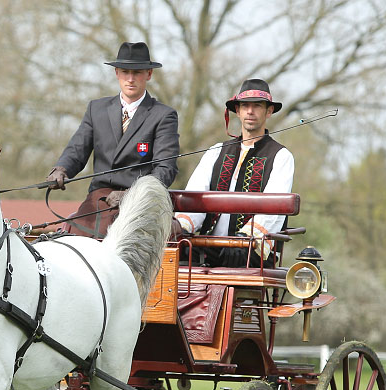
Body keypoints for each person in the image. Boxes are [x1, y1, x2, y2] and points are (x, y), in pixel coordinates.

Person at [47, 42, 179, 238]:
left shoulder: (163, 115)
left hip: (140, 201)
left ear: (149, 74)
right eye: (125, 72)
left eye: (138, 72)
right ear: (117, 72)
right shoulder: (96, 109)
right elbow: (77, 149)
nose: (131, 79)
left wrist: (132, 195)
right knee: (72, 238)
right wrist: (61, 169)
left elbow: (165, 169)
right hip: (99, 198)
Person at [176, 78, 294, 267]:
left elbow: (274, 210)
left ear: (269, 111)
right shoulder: (216, 151)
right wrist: (180, 227)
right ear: (237, 111)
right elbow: (194, 198)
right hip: (208, 246)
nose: (250, 111)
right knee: (178, 254)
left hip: (251, 250)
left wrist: (245, 239)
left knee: (238, 254)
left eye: (257, 106)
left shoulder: (281, 156)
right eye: (245, 106)